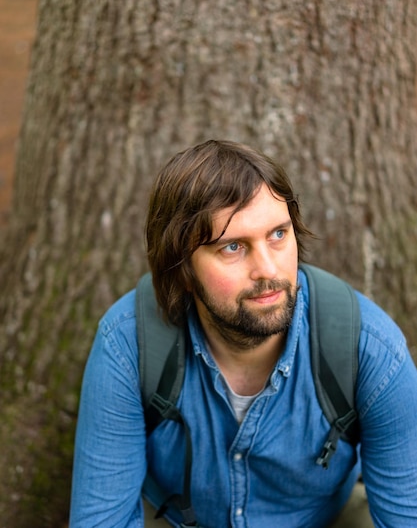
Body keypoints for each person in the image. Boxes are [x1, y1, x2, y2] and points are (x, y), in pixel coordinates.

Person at [69, 140, 417, 528]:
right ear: (182, 269)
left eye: (278, 235)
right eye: (233, 247)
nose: (267, 269)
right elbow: (102, 520)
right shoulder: (128, 344)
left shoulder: (368, 347)